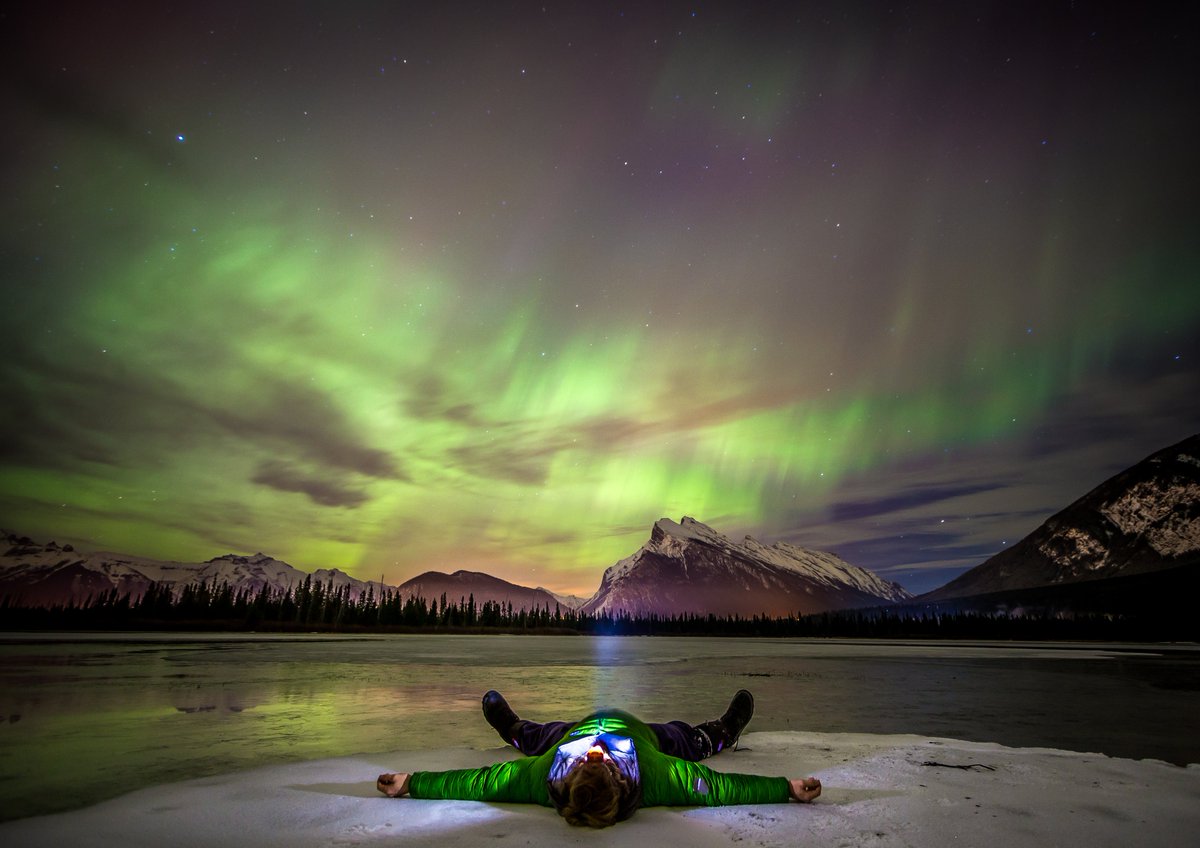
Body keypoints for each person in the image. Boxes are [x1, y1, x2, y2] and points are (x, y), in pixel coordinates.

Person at [376, 689, 822, 828]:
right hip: (648, 737)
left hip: (562, 735)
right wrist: (786, 789)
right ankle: (727, 731)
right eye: (602, 762)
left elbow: (476, 781)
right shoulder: (657, 775)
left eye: (584, 762)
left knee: (533, 737)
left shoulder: (542, 775)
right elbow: (722, 788)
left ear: (567, 777)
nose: (596, 751)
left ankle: (509, 727)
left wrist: (411, 782)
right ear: (622, 780)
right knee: (692, 741)